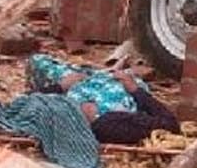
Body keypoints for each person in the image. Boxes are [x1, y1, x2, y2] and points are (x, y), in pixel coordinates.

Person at [26, 54, 180, 145]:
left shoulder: (104, 123)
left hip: (83, 86)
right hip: (111, 84)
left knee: (37, 62)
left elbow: (23, 103)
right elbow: (169, 123)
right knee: (37, 62)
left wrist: (60, 87)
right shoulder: (110, 122)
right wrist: (135, 90)